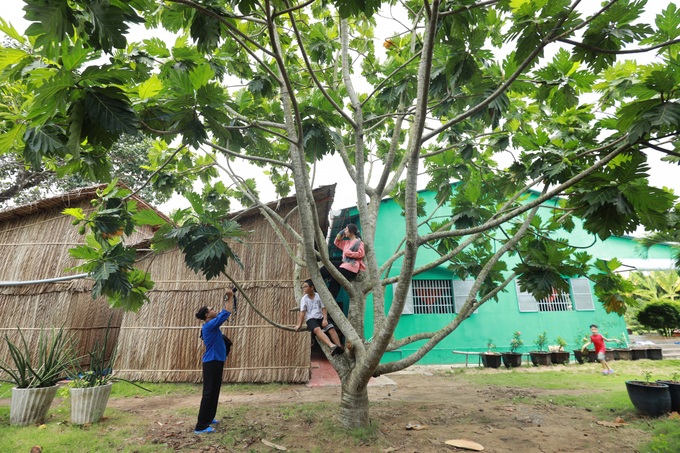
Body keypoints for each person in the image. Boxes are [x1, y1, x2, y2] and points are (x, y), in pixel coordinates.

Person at [193, 289, 235, 434]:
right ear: (207, 315)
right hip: (211, 362)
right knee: (209, 393)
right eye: (211, 309)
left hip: (216, 361)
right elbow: (226, 313)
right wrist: (230, 298)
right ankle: (201, 426)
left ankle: (209, 418)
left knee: (214, 391)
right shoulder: (209, 326)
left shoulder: (213, 326)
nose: (214, 310)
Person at [295, 279, 344, 356]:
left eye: (306, 287)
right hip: (311, 319)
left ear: (312, 287)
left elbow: (323, 308)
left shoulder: (318, 296)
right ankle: (332, 345)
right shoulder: (304, 299)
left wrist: (325, 319)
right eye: (303, 287)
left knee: (331, 328)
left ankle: (339, 346)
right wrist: (299, 324)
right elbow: (302, 313)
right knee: (317, 329)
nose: (304, 288)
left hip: (320, 317)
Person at [320, 223, 366, 300]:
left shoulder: (359, 242)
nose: (345, 231)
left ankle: (331, 298)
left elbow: (361, 254)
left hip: (352, 267)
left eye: (346, 230)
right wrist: (341, 233)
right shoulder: (346, 243)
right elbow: (336, 242)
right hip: (344, 265)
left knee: (335, 277)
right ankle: (318, 277)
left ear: (351, 232)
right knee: (330, 265)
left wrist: (349, 253)